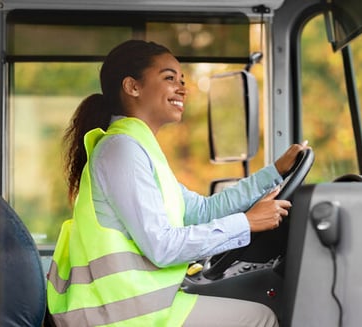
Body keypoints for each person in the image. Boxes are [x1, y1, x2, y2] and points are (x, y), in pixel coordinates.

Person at [46, 39, 309, 327]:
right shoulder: (121, 150)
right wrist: (247, 223)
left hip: (142, 305)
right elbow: (163, 247)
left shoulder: (137, 146)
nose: (183, 88)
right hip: (123, 316)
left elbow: (205, 210)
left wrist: (274, 172)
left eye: (182, 80)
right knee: (262, 317)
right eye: (169, 78)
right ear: (133, 87)